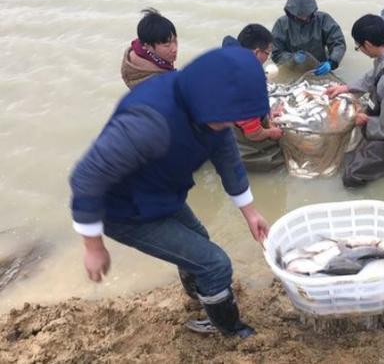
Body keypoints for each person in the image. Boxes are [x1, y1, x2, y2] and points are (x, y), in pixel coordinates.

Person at [70, 47, 271, 338]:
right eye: (228, 118)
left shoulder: (210, 111)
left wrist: (250, 211)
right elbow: (86, 177)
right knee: (216, 263)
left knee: (199, 243)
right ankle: (228, 329)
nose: (230, 124)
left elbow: (228, 157)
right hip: (124, 211)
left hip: (162, 191)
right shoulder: (148, 122)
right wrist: (93, 246)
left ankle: (200, 296)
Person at [326, 14, 384, 187]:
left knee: (350, 175)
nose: (360, 50)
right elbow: (372, 77)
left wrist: (367, 121)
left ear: (368, 44)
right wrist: (345, 88)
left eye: (359, 47)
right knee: (351, 147)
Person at [222, 24, 285, 171]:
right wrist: (271, 132)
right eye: (267, 53)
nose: (267, 57)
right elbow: (253, 134)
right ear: (257, 53)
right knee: (280, 160)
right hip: (237, 148)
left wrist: (267, 113)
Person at [271, 0, 346, 76]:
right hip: (293, 67)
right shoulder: (281, 24)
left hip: (320, 66)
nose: (303, 18)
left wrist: (332, 62)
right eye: (299, 16)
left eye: (306, 15)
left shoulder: (323, 19)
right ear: (291, 12)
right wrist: (292, 58)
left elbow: (338, 43)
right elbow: (276, 53)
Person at [121, 8, 178, 89]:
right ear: (147, 46)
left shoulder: (139, 48)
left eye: (175, 41)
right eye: (167, 45)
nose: (174, 49)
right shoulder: (155, 83)